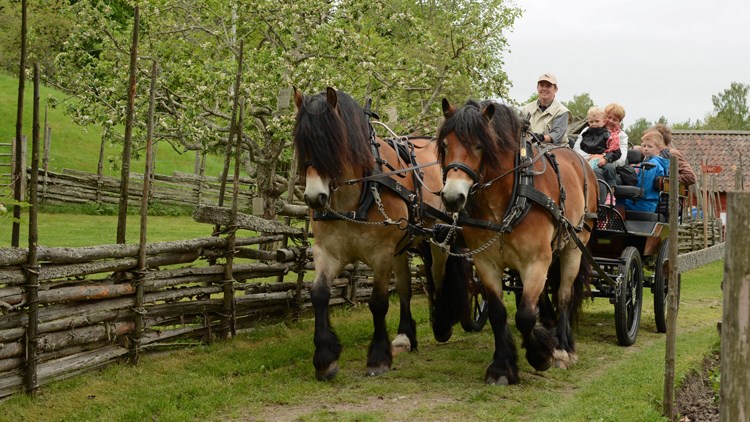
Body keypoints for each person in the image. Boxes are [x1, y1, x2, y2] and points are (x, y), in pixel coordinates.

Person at [573, 106, 620, 189]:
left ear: (604, 121)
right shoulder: (585, 133)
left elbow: (616, 152)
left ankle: (611, 190)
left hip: (602, 161)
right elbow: (577, 148)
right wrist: (589, 157)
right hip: (585, 159)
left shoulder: (609, 136)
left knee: (609, 168)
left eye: (597, 121)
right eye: (591, 122)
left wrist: (605, 158)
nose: (594, 124)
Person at [625, 131, 670, 212]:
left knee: (615, 203)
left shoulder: (651, 165)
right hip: (648, 203)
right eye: (644, 146)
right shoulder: (659, 163)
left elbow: (643, 189)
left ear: (659, 148)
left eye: (650, 146)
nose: (645, 148)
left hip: (642, 204)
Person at [521, 73, 570, 145]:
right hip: (529, 148)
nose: (544, 89)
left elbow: (557, 135)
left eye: (548, 86)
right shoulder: (526, 109)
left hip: (555, 150)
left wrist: (541, 138)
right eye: (541, 85)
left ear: (556, 89)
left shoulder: (562, 111)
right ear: (537, 87)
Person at [603, 103, 629, 168]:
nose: (611, 121)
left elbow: (622, 159)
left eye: (614, 120)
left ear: (619, 121)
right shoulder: (592, 128)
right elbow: (578, 149)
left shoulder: (622, 136)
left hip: (610, 165)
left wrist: (605, 160)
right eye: (609, 117)